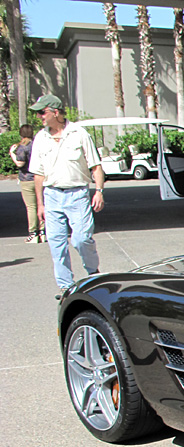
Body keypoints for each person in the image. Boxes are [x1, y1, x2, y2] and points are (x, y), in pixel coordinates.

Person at [27, 94, 104, 298]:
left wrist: (99, 191)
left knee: (81, 239)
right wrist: (40, 204)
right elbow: (38, 174)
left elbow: (96, 166)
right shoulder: (40, 138)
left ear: (56, 112)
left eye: (42, 112)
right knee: (56, 242)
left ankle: (93, 273)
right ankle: (65, 286)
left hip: (77, 194)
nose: (39, 117)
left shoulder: (79, 133)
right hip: (52, 195)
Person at [9, 124, 44, 243]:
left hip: (26, 179)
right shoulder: (36, 145)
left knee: (31, 207)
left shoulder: (22, 147)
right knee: (41, 204)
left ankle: (33, 233)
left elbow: (20, 163)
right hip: (39, 177)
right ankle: (43, 231)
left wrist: (12, 154)